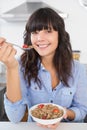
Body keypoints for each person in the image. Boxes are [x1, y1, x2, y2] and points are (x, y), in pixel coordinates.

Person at [0, 7, 87, 129]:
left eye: (48, 31)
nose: (40, 38)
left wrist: (64, 113)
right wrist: (11, 68)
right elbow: (15, 117)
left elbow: (82, 109)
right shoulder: (20, 66)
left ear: (60, 35)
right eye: (35, 32)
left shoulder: (78, 69)